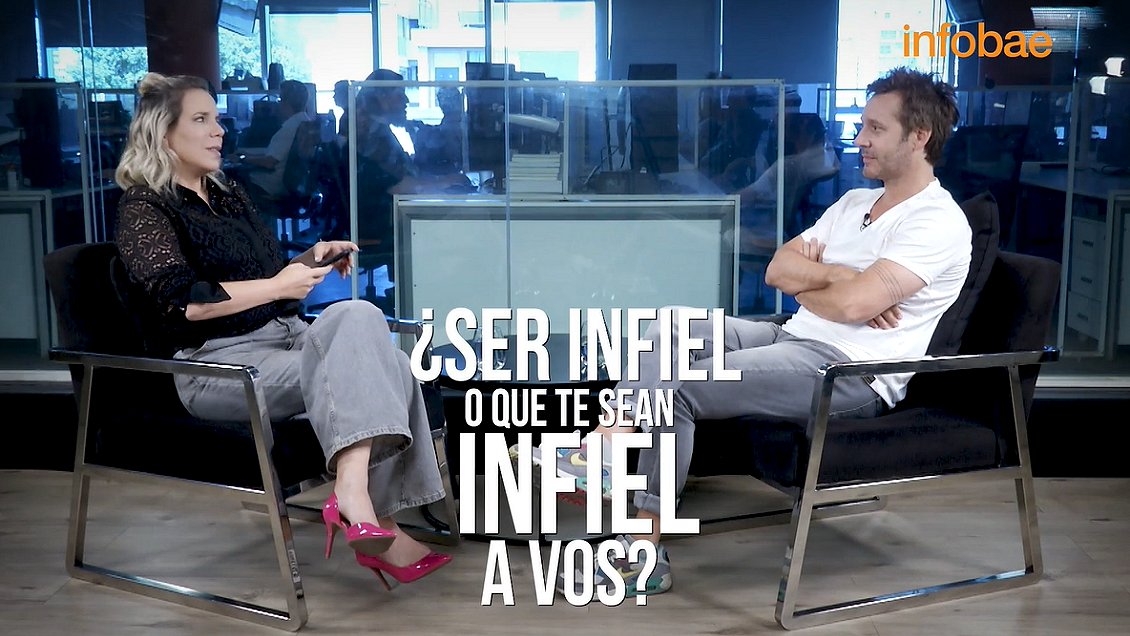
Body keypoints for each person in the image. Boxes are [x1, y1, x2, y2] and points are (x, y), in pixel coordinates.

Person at [537, 67, 970, 599]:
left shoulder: (935, 222)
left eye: (876, 129)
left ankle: (640, 552)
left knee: (680, 386)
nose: (859, 139)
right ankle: (606, 444)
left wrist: (824, 286)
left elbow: (852, 304)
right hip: (790, 336)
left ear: (919, 136)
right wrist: (839, 278)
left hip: (849, 371)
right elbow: (778, 270)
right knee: (670, 325)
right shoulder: (855, 204)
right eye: (862, 125)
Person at [112, 72, 452, 589]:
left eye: (217, 119)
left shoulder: (228, 194)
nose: (219, 131)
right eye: (201, 120)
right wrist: (277, 286)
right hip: (220, 365)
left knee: (358, 314)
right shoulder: (144, 208)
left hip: (285, 338)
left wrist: (310, 259)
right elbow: (187, 304)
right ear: (163, 133)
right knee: (393, 365)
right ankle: (378, 520)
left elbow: (270, 279)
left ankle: (353, 493)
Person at [241, 79, 312, 210]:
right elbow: (274, 152)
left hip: (271, 186)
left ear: (286, 102)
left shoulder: (289, 128)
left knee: (232, 180)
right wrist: (245, 153)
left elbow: (269, 162)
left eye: (280, 99)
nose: (278, 104)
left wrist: (243, 159)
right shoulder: (305, 122)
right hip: (294, 185)